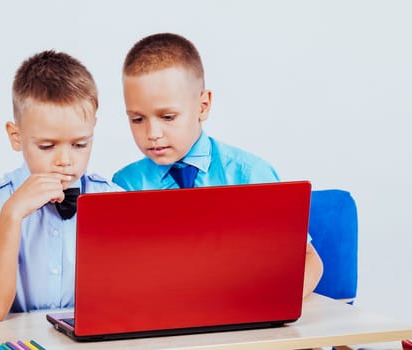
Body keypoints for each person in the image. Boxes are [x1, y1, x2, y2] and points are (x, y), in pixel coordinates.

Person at [112, 33, 323, 298]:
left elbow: (307, 258)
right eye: (137, 119)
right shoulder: (123, 186)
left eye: (167, 117)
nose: (152, 133)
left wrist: (273, 305)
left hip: (245, 319)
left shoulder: (251, 176)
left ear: (203, 106)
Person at [0, 50, 123, 321]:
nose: (65, 160)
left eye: (80, 144)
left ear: (93, 128)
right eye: (47, 146)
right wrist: (12, 215)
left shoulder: (114, 201)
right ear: (17, 137)